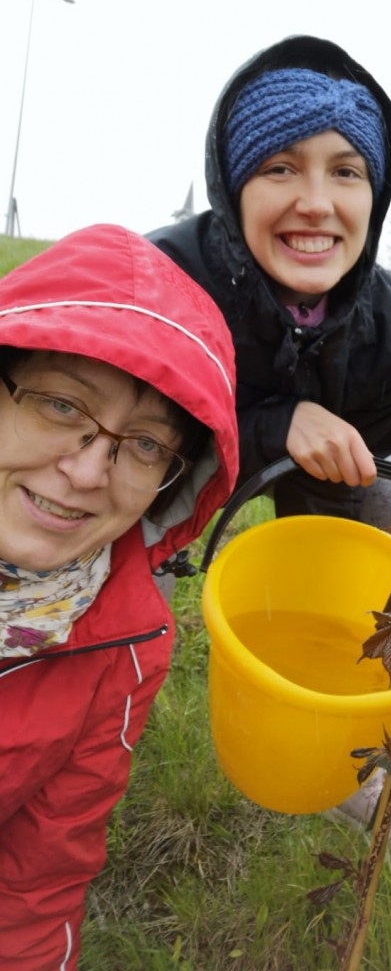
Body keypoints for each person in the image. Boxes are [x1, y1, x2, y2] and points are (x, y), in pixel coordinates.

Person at [149, 35, 391, 853]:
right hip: (163, 453)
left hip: (308, 469)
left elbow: (354, 479)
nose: (316, 202)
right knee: (113, 529)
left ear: (373, 195)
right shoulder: (166, 280)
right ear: (233, 183)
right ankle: (92, 720)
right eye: (280, 168)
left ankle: (340, 757)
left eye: (345, 172)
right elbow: (122, 438)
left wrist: (303, 461)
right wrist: (274, 423)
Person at [0, 224, 239, 970]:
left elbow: (37, 884)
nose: (87, 472)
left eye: (143, 445)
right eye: (64, 406)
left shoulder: (127, 644)